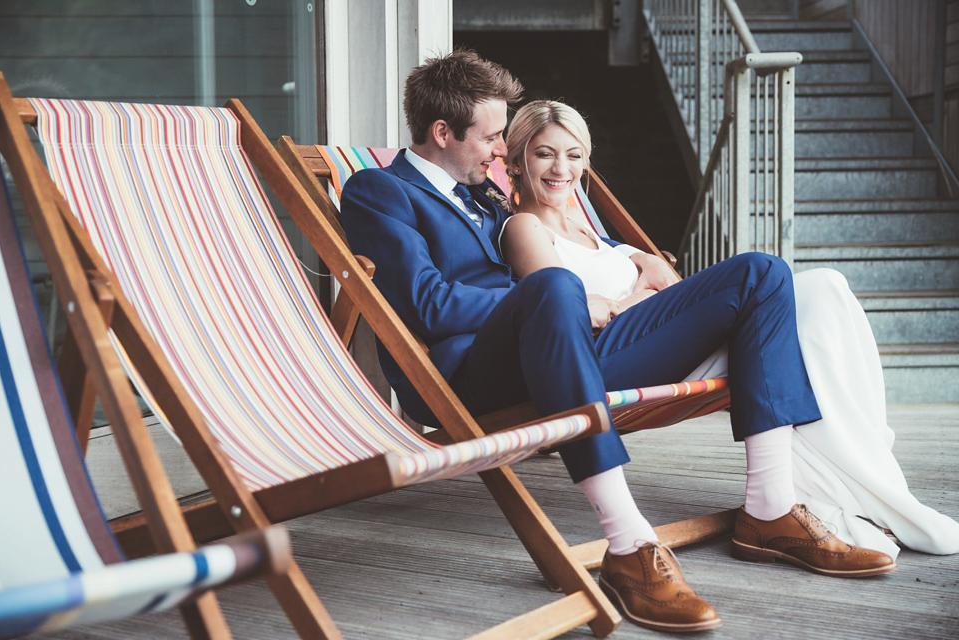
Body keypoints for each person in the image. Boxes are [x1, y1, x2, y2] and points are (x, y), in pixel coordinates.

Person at [339, 51, 899, 633]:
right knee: (555, 285)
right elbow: (428, 305)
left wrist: (618, 266)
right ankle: (629, 545)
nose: (503, 148)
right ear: (441, 132)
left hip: (562, 352)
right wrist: (570, 299)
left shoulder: (479, 191)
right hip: (462, 379)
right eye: (494, 136)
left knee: (762, 272)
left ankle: (769, 507)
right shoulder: (380, 191)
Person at [499, 97, 959, 551]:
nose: (561, 167)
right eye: (545, 153)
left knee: (822, 288)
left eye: (573, 155)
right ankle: (775, 504)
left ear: (585, 164)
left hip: (648, 345)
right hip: (598, 362)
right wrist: (639, 291)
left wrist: (637, 261)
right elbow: (560, 311)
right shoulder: (524, 227)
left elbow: (667, 284)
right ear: (517, 161)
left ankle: (864, 480)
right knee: (761, 271)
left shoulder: (592, 233)